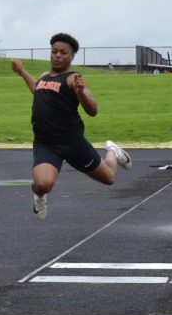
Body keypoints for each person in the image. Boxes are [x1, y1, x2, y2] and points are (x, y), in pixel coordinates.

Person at [10, 33, 131, 220]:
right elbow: (37, 90)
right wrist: (22, 72)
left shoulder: (72, 79)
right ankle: (39, 196)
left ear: (71, 56)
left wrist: (81, 93)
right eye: (54, 51)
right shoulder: (44, 77)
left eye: (63, 53)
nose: (58, 55)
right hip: (46, 143)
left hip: (72, 143)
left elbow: (93, 110)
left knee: (109, 178)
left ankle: (112, 151)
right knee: (42, 184)